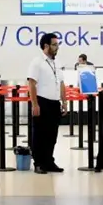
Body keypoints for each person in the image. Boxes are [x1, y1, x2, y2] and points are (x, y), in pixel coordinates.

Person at [27, 32, 66, 174]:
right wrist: (35, 104)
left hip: (55, 103)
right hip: (42, 102)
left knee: (52, 135)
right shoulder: (37, 62)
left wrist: (64, 101)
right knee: (39, 135)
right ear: (46, 46)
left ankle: (49, 161)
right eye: (54, 45)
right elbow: (31, 83)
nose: (57, 47)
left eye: (57, 44)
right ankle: (38, 163)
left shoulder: (57, 63)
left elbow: (61, 83)